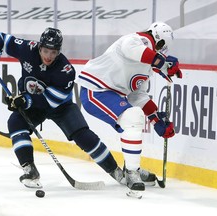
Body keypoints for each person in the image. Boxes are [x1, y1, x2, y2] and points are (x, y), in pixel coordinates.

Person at [0, 27, 129, 190]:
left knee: (83, 135)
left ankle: (116, 171)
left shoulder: (65, 70)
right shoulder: (27, 49)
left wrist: (25, 100)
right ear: (39, 47)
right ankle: (29, 169)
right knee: (15, 123)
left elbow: (50, 101)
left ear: (59, 52)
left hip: (61, 107)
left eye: (53, 52)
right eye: (46, 51)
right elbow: (1, 37)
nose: (49, 56)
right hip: (34, 104)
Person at [76, 22, 182, 197]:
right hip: (95, 90)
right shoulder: (135, 40)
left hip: (110, 94)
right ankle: (132, 173)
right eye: (162, 46)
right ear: (157, 40)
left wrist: (157, 119)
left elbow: (137, 96)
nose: (163, 50)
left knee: (133, 120)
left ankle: (132, 168)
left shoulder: (147, 68)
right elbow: (134, 50)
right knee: (134, 117)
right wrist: (161, 62)